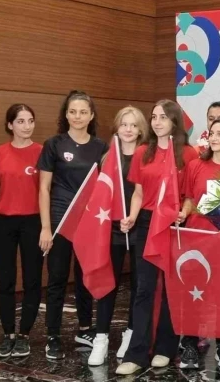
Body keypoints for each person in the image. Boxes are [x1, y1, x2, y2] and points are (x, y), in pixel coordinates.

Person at [115, 99, 198, 375]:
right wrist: (131, 216)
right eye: (154, 117)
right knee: (144, 287)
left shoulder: (189, 154)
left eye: (163, 117)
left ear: (175, 121)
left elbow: (191, 195)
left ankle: (165, 348)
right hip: (148, 222)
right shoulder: (143, 151)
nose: (157, 122)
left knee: (172, 287)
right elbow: (138, 193)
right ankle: (136, 353)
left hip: (174, 224)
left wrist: (184, 212)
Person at [37, 90, 108, 360]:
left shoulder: (101, 147)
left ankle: (85, 328)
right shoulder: (53, 144)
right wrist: (46, 227)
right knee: (57, 278)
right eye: (72, 112)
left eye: (83, 112)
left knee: (85, 276)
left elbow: (106, 187)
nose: (77, 116)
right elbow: (44, 188)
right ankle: (53, 335)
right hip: (59, 221)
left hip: (89, 222)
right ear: (65, 115)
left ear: (91, 116)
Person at [180, 117, 220, 369]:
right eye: (212, 133)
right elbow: (189, 199)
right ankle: (189, 344)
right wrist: (184, 213)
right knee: (192, 292)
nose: (214, 138)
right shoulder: (195, 165)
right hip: (197, 237)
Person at [88, 106, 148, 366]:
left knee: (138, 285)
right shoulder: (107, 157)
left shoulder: (146, 156)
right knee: (107, 283)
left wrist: (132, 217)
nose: (128, 129)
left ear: (141, 130)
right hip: (110, 228)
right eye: (124, 124)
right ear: (117, 127)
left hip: (138, 226)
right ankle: (101, 338)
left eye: (134, 125)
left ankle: (130, 334)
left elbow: (144, 193)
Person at [0, 104, 43, 358]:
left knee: (32, 280)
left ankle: (24, 335)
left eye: (30, 121)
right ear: (10, 125)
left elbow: (47, 189)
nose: (27, 126)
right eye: (20, 121)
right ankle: (8, 334)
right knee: (5, 281)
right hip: (1, 224)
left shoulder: (42, 152)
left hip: (34, 223)